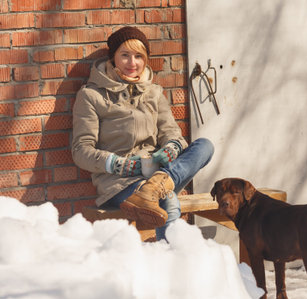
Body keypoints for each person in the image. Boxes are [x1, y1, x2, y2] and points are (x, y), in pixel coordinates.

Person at [72, 26, 214, 240]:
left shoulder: (154, 93)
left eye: (139, 56)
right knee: (167, 199)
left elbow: (173, 135)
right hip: (118, 183)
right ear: (113, 58)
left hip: (156, 171)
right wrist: (118, 164)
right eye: (125, 55)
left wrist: (169, 150)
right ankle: (171, 260)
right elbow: (81, 150)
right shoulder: (91, 96)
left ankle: (158, 184)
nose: (132, 63)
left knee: (205, 146)